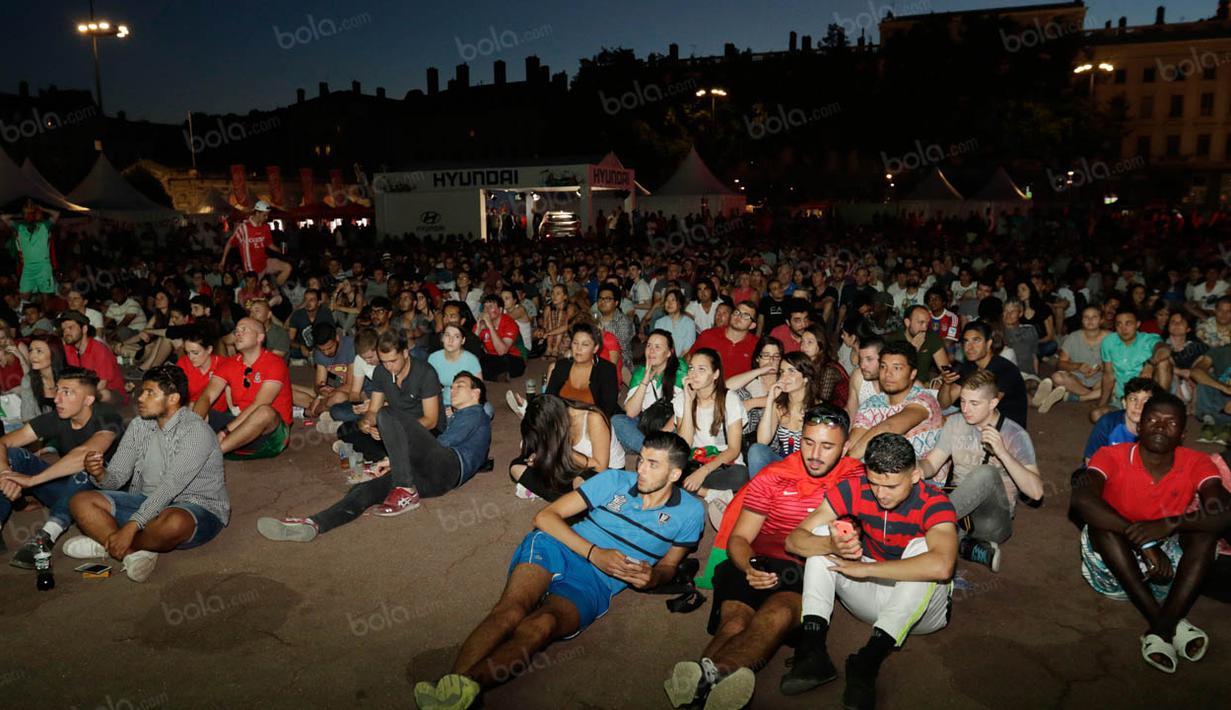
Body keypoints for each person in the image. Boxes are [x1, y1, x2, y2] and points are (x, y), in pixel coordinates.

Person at [413, 432, 703, 710]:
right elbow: (545, 517)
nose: (640, 469)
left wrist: (653, 578)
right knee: (512, 608)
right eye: (640, 459)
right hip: (561, 545)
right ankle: (452, 690)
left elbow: (668, 566)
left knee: (543, 624)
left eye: (653, 465)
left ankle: (463, 689)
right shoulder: (614, 480)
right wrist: (594, 552)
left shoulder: (690, 513)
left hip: (599, 579)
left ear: (675, 474)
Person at [664, 405, 863, 708]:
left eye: (827, 446)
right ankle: (709, 687)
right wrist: (749, 566)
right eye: (808, 442)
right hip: (758, 560)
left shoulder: (854, 478)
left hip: (808, 569)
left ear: (846, 446)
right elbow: (740, 538)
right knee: (734, 622)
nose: (815, 454)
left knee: (776, 614)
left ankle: (705, 681)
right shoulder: (774, 475)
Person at [784, 433, 958, 710]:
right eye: (874, 483)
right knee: (821, 537)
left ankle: (867, 662)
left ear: (914, 476)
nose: (881, 494)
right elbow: (794, 540)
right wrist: (832, 544)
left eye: (891, 486)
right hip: (868, 598)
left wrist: (867, 569)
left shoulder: (934, 502)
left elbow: (943, 566)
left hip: (923, 614)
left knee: (923, 549)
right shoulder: (854, 489)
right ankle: (813, 652)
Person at [1070, 393, 1231, 674]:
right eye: (1153, 420)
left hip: (1167, 572)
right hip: (1114, 571)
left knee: (1204, 532)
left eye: (1170, 423)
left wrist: (1169, 525)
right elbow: (1082, 500)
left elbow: (1224, 513)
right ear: (1140, 425)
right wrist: (1145, 542)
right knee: (1100, 526)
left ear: (1182, 433)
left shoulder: (1197, 462)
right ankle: (1165, 623)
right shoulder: (1111, 455)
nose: (1159, 426)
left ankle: (1159, 629)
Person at [258, 372, 492, 536]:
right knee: (367, 490)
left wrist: (395, 459)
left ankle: (405, 490)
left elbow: (445, 443)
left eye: (460, 385)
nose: (453, 388)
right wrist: (395, 463)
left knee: (388, 414)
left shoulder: (474, 412)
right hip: (437, 479)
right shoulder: (459, 416)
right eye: (452, 385)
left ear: (476, 393)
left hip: (448, 465)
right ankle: (314, 524)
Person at [62, 366, 228, 583]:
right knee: (80, 501)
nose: (140, 398)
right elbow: (117, 478)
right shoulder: (139, 425)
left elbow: (170, 487)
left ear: (173, 398)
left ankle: (110, 541)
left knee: (173, 522)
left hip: (196, 506)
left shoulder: (196, 431)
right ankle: (129, 550)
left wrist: (131, 527)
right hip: (146, 501)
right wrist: (101, 474)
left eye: (150, 393)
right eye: (141, 391)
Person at [920, 369, 1044, 571]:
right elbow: (932, 465)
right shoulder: (955, 423)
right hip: (959, 512)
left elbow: (1036, 493)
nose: (965, 409)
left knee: (986, 473)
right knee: (919, 485)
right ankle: (965, 546)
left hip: (991, 520)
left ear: (993, 403)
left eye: (974, 403)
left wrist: (1003, 453)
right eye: (962, 401)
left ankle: (929, 526)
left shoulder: (1015, 434)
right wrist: (914, 468)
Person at [0, 367, 124, 568]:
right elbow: (3, 443)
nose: (57, 399)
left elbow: (85, 454)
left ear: (88, 400)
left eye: (67, 392)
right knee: (13, 456)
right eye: (57, 390)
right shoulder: (56, 417)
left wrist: (31, 481)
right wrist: (5, 474)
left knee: (85, 468)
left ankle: (46, 537)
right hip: (67, 492)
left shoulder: (108, 417)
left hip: (103, 499)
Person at [192, 318, 292, 459]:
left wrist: (225, 431)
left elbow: (260, 404)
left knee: (264, 412)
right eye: (236, 331)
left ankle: (211, 454)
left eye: (244, 330)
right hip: (239, 426)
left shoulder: (275, 363)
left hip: (270, 435)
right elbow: (207, 395)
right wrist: (192, 426)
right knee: (194, 407)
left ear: (260, 337)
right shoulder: (229, 363)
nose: (238, 334)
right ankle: (191, 446)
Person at [510, 395, 623, 500]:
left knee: (581, 484)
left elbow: (600, 466)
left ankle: (569, 503)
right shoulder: (556, 422)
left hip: (606, 472)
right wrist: (537, 456)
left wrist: (563, 449)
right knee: (516, 467)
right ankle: (568, 501)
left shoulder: (593, 418)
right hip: (574, 467)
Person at [352, 331, 440, 463]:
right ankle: (393, 458)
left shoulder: (426, 373)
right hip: (394, 426)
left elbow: (431, 420)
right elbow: (374, 410)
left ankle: (393, 459)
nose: (388, 366)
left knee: (422, 449)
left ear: (405, 353)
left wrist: (394, 430)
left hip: (421, 429)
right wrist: (367, 423)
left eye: (393, 361)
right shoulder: (380, 372)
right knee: (351, 431)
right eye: (384, 361)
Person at [846, 340, 943, 459]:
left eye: (896, 368)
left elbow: (889, 427)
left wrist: (847, 463)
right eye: (883, 367)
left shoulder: (924, 400)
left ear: (912, 374)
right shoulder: (871, 404)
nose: (887, 374)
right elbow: (853, 444)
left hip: (920, 475)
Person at [675, 348, 748, 498]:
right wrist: (688, 402)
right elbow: (684, 445)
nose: (693, 374)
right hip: (693, 461)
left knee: (740, 475)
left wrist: (703, 472)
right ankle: (710, 493)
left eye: (701, 369)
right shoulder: (681, 398)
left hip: (724, 463)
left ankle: (690, 487)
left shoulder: (729, 399)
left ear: (715, 374)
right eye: (691, 368)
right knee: (668, 467)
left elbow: (734, 449)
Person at [937, 321, 1028, 428]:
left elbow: (984, 410)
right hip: (980, 418)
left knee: (942, 425)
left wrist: (947, 420)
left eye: (976, 340)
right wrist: (947, 384)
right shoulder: (970, 366)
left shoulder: (1004, 369)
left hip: (1006, 427)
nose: (969, 347)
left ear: (989, 344)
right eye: (966, 341)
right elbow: (944, 404)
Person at [747, 353, 825, 478]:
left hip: (806, 467)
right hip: (782, 463)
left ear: (805, 378)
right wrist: (770, 399)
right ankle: (758, 495)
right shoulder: (779, 406)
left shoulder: (819, 409)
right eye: (782, 372)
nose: (784, 377)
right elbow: (762, 441)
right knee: (756, 450)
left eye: (791, 371)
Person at [1092, 306, 1172, 424]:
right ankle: (1137, 422)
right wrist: (1102, 404)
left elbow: (1165, 350)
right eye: (1119, 324)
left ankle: (1159, 406)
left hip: (1149, 396)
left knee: (1164, 362)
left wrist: (1150, 364)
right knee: (1096, 415)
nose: (1123, 328)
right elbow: (1108, 375)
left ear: (1138, 324)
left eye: (1128, 323)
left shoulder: (1148, 339)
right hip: (1124, 398)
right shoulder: (1108, 342)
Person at [612, 330, 686, 454]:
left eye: (657, 347)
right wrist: (645, 380)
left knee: (682, 429)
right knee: (617, 421)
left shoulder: (680, 370)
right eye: (649, 345)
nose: (651, 351)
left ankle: (645, 449)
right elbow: (631, 413)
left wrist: (663, 432)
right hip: (646, 424)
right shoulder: (640, 372)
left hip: (671, 425)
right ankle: (652, 452)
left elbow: (686, 407)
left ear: (669, 352)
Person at [1034, 305, 1107, 413]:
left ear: (1101, 320)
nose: (1090, 320)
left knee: (1114, 383)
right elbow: (1060, 364)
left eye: (1094, 317)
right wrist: (1077, 366)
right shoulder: (1073, 337)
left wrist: (1101, 368)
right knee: (1057, 377)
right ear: (1082, 320)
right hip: (1078, 379)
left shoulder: (1111, 338)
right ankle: (1090, 395)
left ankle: (1080, 397)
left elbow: (1118, 364)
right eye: (1086, 317)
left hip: (1100, 380)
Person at [541, 322, 620, 417]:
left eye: (585, 345)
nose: (578, 348)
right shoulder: (562, 366)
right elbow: (550, 398)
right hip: (564, 420)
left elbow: (606, 410)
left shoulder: (606, 370)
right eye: (575, 343)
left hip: (595, 422)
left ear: (595, 348)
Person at [1083, 378, 1164, 463]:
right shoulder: (1107, 424)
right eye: (1133, 399)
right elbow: (1090, 460)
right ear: (1124, 403)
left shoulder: (1160, 431)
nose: (1138, 406)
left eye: (1146, 401)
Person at [59, 311, 126, 405]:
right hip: (86, 388)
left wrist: (79, 397)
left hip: (111, 391)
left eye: (70, 328)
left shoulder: (99, 349)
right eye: (63, 329)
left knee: (103, 394)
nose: (66, 332)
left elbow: (102, 383)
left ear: (84, 329)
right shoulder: (69, 348)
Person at [218, 201, 292, 285]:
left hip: (265, 262)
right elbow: (230, 243)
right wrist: (223, 261)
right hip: (252, 270)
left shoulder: (265, 227)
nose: (266, 217)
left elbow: (269, 244)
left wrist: (280, 250)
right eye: (264, 215)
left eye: (267, 215)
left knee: (287, 267)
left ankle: (275, 288)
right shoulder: (244, 228)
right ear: (257, 213)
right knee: (255, 294)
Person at [291, 322, 355, 418]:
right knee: (285, 387)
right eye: (322, 350)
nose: (326, 352)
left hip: (351, 394)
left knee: (338, 397)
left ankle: (313, 409)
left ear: (337, 338)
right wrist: (321, 390)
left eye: (329, 348)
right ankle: (320, 406)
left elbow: (351, 386)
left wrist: (323, 396)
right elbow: (318, 384)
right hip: (332, 391)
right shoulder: (319, 352)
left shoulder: (351, 346)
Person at [2, 200, 60, 297]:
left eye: (31, 212)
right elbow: (3, 217)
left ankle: (44, 311)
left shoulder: (44, 225)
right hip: (28, 267)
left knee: (45, 297)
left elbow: (56, 214)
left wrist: (42, 208)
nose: (28, 215)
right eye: (26, 213)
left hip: (43, 266)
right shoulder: (20, 227)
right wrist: (20, 212)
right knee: (24, 295)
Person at [692, 300, 759, 377]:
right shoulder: (708, 335)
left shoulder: (757, 345)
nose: (739, 316)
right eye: (737, 312)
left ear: (752, 325)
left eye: (746, 316)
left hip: (740, 388)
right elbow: (688, 359)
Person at [886, 305, 950, 384]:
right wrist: (912, 349)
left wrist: (939, 381)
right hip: (899, 384)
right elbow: (892, 372)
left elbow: (946, 369)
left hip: (924, 385)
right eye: (921, 322)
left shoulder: (931, 337)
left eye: (927, 323)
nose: (925, 328)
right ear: (907, 322)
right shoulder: (894, 340)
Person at [427, 324, 483, 414]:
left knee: (487, 410)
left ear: (463, 340)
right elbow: (427, 386)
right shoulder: (433, 358)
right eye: (447, 335)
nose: (450, 340)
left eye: (456, 336)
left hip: (466, 402)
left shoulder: (471, 360)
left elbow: (479, 390)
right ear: (442, 338)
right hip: (444, 401)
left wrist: (460, 408)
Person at [474, 294, 527, 382]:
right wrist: (478, 329)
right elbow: (470, 349)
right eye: (484, 307)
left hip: (512, 357)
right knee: (476, 359)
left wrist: (490, 326)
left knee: (505, 360)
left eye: (490, 307)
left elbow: (502, 351)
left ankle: (493, 375)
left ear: (500, 310)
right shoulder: (481, 323)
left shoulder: (510, 324)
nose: (486, 310)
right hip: (491, 357)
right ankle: (497, 376)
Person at [176, 327, 229, 413]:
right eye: (187, 352)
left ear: (209, 349)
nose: (190, 357)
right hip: (189, 410)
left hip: (215, 414)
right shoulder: (183, 363)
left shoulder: (223, 365)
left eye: (195, 353)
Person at [16, 333, 66, 420]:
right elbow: (27, 417)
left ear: (54, 353)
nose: (32, 356)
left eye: (39, 351)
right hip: (41, 430)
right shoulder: (28, 380)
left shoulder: (70, 378)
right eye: (31, 350)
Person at [1189, 343, 1231, 442]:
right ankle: (1209, 421)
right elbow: (1195, 372)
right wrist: (1223, 387)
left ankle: (1225, 426)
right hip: (1219, 400)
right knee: (1204, 377)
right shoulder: (1221, 351)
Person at [286, 288, 335, 361]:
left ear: (318, 302)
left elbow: (332, 335)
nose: (308, 303)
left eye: (312, 300)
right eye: (306, 300)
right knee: (288, 351)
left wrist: (320, 348)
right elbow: (290, 340)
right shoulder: (297, 315)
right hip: (302, 350)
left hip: (321, 348)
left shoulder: (325, 313)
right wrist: (301, 346)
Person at [845, 334, 884, 420]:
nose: (862, 365)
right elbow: (851, 412)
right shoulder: (858, 376)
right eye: (861, 359)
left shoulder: (897, 382)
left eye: (869, 359)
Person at [655, 289, 698, 356]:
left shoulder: (689, 323)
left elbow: (687, 350)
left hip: (682, 362)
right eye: (667, 300)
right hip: (663, 360)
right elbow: (658, 346)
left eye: (673, 300)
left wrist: (677, 364)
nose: (669, 303)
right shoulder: (659, 323)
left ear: (680, 304)